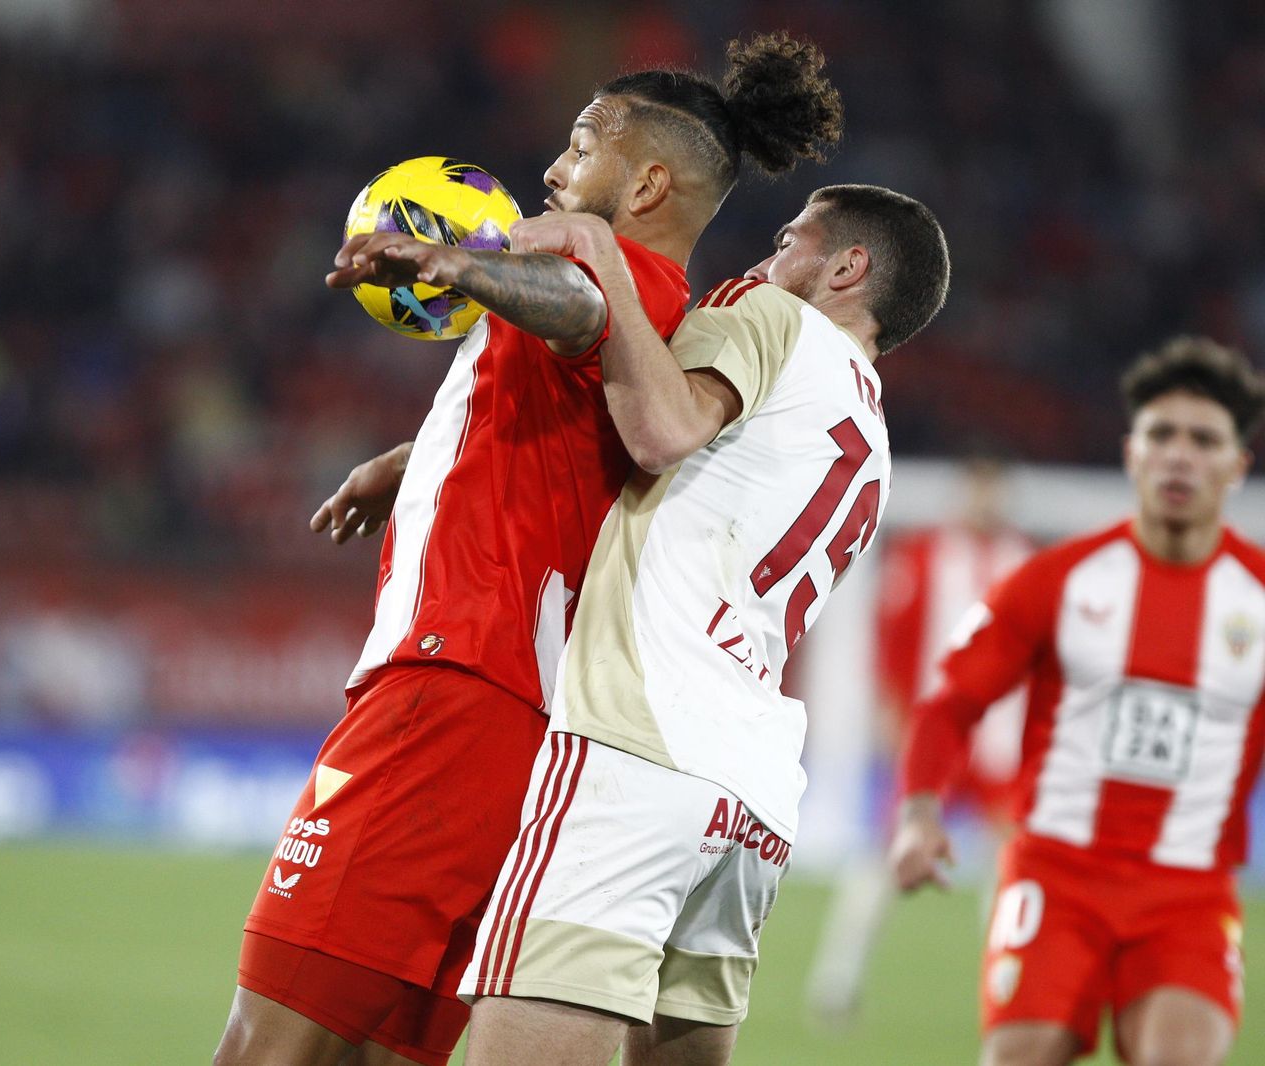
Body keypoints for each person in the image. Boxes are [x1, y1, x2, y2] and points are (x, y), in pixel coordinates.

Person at [213, 33, 844, 1066]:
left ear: (646, 184)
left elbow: (579, 309)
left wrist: (465, 263)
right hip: (525, 726)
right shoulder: (665, 327)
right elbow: (569, 409)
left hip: (450, 693)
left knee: (268, 1046)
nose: (553, 168)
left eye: (582, 144)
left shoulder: (603, 278)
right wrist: (415, 461)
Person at [456, 184, 950, 1065]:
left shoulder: (768, 316)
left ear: (847, 268)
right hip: (753, 794)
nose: (766, 258)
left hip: (639, 746)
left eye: (789, 240)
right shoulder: (871, 440)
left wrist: (600, 251)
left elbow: (659, 431)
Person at [890, 336, 1265, 1066]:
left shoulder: (1255, 598)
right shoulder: (1057, 580)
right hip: (1056, 876)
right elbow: (950, 703)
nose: (1180, 456)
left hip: (1188, 894)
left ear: (1237, 466)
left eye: (1203, 441)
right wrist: (918, 815)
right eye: (1162, 435)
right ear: (1132, 454)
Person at [805, 453, 1033, 1027]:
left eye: (993, 491)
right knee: (888, 853)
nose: (985, 502)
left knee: (1012, 863)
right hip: (934, 738)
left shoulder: (1024, 562)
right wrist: (894, 722)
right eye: (978, 489)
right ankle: (837, 980)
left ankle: (1008, 990)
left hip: (1000, 745)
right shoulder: (923, 555)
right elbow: (892, 645)